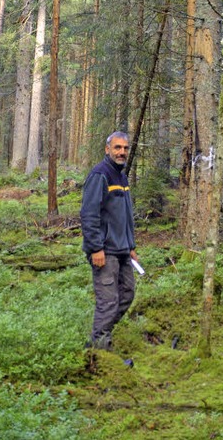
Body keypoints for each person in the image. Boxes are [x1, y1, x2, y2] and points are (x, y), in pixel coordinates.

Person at [80, 131, 137, 350]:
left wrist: (131, 246)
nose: (122, 152)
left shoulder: (121, 177)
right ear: (107, 149)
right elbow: (89, 214)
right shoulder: (99, 174)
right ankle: (99, 350)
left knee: (127, 294)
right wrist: (96, 248)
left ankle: (100, 338)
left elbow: (125, 216)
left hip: (122, 250)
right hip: (105, 252)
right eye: (117, 148)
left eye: (125, 148)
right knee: (108, 301)